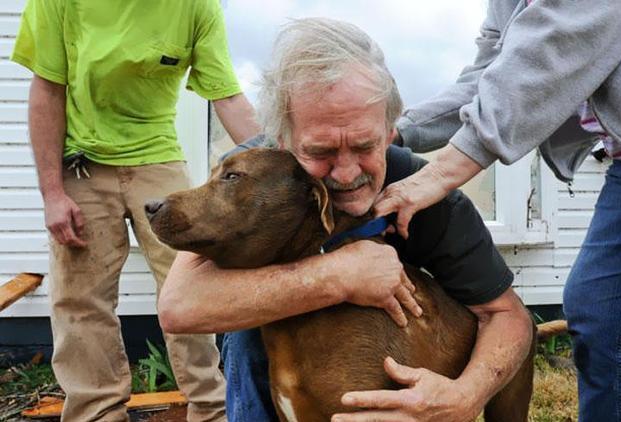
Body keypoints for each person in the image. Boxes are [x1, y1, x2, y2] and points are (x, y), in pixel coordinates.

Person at [374, 0, 621, 420]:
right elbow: (494, 73)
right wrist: (390, 133)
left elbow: (570, 29)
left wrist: (445, 169)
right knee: (603, 314)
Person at [158, 17, 534, 422]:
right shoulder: (260, 172)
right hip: (287, 344)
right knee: (246, 326)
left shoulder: (427, 191)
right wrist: (337, 275)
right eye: (320, 151)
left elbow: (507, 315)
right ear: (282, 140)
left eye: (363, 144)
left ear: (390, 131)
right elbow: (180, 306)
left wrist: (465, 397)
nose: (345, 172)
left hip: (396, 344)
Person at [11, 0, 261, 420]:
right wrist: (53, 194)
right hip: (83, 162)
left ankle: (213, 410)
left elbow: (228, 97)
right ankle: (97, 412)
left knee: (193, 282)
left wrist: (278, 164)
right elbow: (46, 91)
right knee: (81, 300)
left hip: (158, 158)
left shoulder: (196, 6)